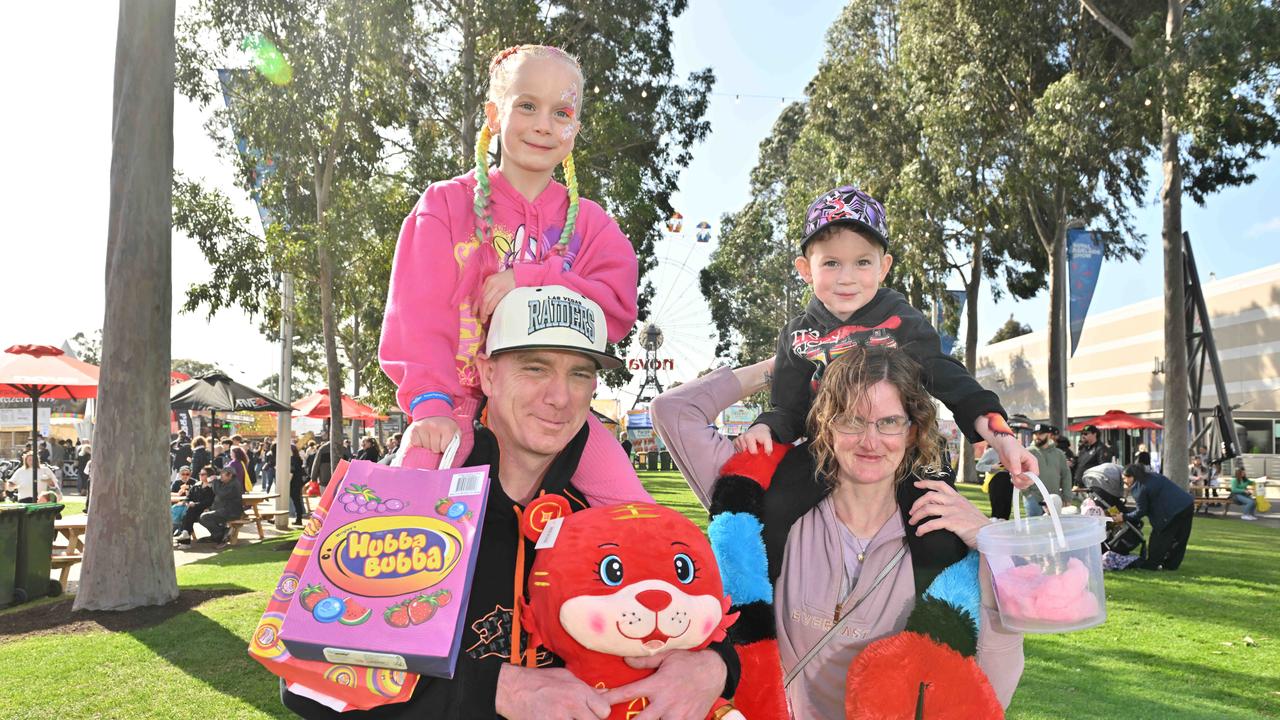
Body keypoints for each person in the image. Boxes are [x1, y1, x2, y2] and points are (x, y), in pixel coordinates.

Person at [283, 286, 735, 719]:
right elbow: (307, 680)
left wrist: (714, 666)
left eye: (580, 374)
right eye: (535, 368)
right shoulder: (408, 489)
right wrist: (497, 689)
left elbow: (699, 606)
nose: (560, 397)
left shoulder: (607, 511)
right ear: (487, 373)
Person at [651, 347, 1023, 717]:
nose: (870, 440)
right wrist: (786, 365)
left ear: (912, 432)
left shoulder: (938, 542)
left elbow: (990, 692)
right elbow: (675, 412)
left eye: (889, 422)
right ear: (826, 426)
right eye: (851, 420)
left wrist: (992, 544)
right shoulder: (766, 505)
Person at [378, 44, 641, 506]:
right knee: (403, 530)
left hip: (552, 411)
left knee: (638, 519)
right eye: (526, 106)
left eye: (561, 112)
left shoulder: (593, 226)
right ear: (493, 115)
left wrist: (535, 278)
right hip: (454, 409)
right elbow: (416, 320)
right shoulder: (443, 207)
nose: (543, 125)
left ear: (575, 130)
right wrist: (431, 406)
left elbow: (616, 307)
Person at [734, 185, 1036, 487]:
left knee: (937, 526)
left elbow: (956, 385)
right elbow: (789, 409)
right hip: (828, 458)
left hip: (905, 460)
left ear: (884, 267)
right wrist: (766, 428)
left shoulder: (901, 322)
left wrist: (1003, 439)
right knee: (772, 507)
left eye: (863, 262)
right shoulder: (797, 336)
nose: (847, 277)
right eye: (831, 263)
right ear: (805, 270)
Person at [1122, 464, 1194, 570]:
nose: (1124, 482)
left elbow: (1141, 511)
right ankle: (1171, 565)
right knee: (1180, 538)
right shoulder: (1153, 476)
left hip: (1170, 512)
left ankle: (1152, 564)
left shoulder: (1139, 488)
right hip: (1187, 504)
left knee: (1159, 538)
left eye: (1124, 478)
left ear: (1132, 477)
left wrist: (1124, 517)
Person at [1024, 423, 1072, 517]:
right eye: (1035, 434)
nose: (1037, 436)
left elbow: (1066, 476)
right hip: (1033, 499)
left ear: (1049, 435)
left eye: (1041, 434)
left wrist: (1067, 496)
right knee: (1034, 529)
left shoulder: (1059, 454)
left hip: (1054, 498)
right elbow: (1018, 473)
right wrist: (1027, 493)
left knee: (1053, 529)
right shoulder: (1027, 452)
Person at [199, 467, 244, 549]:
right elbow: (219, 496)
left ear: (229, 475)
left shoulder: (234, 484)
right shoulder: (227, 482)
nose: (220, 477)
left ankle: (222, 535)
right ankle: (220, 535)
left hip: (231, 512)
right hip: (223, 510)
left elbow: (220, 494)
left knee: (204, 517)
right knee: (200, 515)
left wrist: (214, 481)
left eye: (222, 476)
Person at [176, 468, 216, 543]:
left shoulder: (213, 487)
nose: (200, 476)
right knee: (187, 514)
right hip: (192, 509)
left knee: (188, 514)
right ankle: (185, 535)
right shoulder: (196, 485)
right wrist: (188, 502)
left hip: (204, 509)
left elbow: (209, 501)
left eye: (203, 474)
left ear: (209, 475)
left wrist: (195, 504)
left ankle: (185, 538)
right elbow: (188, 497)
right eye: (200, 474)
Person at [288, 443, 307, 525]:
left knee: (296, 501)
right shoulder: (298, 458)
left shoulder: (292, 459)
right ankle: (299, 518)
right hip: (298, 482)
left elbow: (291, 471)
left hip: (293, 482)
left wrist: (287, 482)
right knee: (297, 501)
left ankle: (298, 519)